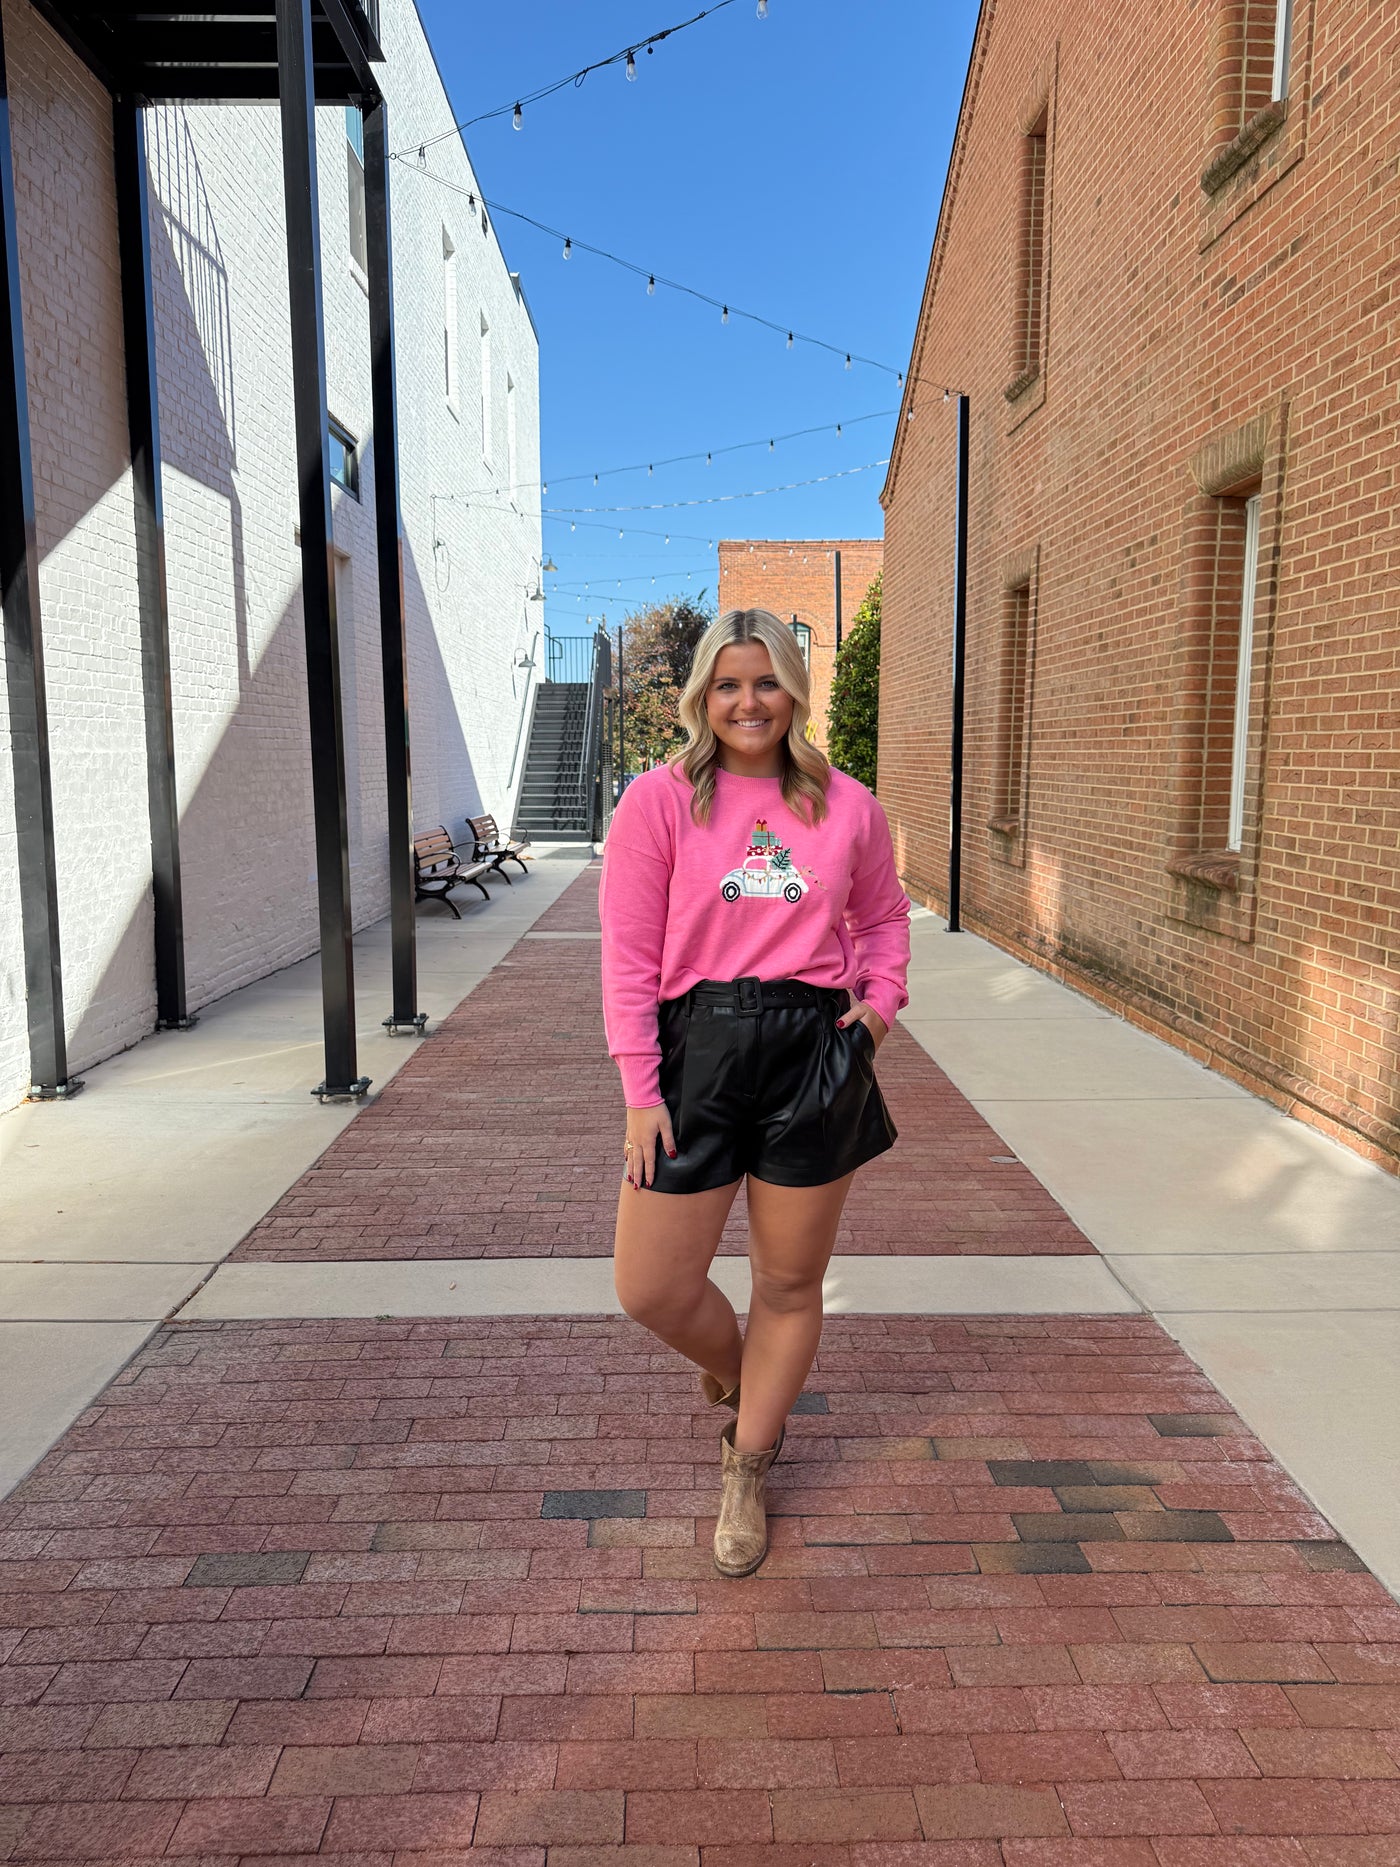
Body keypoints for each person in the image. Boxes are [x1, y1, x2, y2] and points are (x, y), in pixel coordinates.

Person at [598, 606, 911, 1576]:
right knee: (649, 1284)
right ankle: (741, 1375)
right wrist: (640, 1091)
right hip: (694, 1051)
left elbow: (884, 918)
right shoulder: (657, 802)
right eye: (728, 683)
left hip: (811, 1052)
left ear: (792, 692)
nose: (748, 701)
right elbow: (627, 956)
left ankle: (747, 1465)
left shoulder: (844, 806)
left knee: (785, 1281)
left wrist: (876, 1010)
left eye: (766, 681)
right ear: (703, 694)